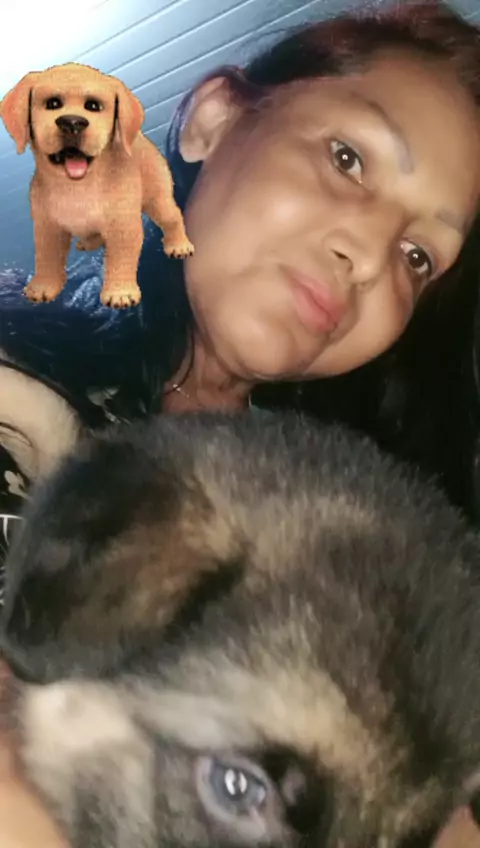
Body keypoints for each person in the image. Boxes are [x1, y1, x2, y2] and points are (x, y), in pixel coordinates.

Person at [1, 1, 480, 843]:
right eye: (347, 159)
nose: (370, 256)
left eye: (418, 257)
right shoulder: (18, 383)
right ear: (214, 120)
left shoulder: (370, 537)